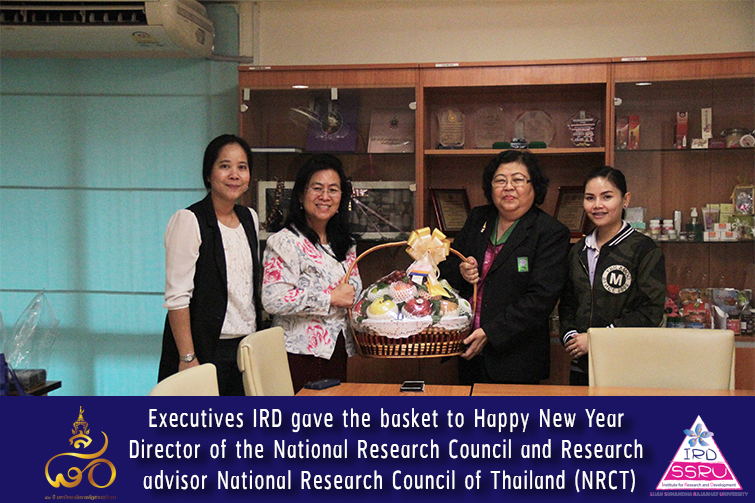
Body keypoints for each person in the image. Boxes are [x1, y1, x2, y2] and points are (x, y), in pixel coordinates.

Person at [439, 150, 571, 385]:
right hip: (467, 349)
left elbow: (540, 299)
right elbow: (446, 267)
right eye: (500, 180)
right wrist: (461, 269)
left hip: (516, 357)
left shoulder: (550, 232)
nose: (508, 187)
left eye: (518, 180)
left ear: (534, 186)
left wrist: (490, 333)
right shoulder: (478, 218)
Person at [158, 134, 262, 396]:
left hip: (245, 349)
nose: (234, 174)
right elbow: (177, 297)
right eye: (225, 166)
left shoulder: (249, 218)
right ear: (208, 174)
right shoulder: (189, 220)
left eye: (242, 167)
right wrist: (187, 357)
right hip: (204, 350)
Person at [262, 154, 361, 393]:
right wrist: (330, 298)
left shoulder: (344, 244)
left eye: (333, 190)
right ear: (300, 195)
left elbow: (353, 295)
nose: (325, 196)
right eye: (317, 188)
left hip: (337, 349)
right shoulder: (285, 241)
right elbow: (273, 299)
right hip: (299, 354)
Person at [559, 166, 666, 385]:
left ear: (625, 200)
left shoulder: (643, 249)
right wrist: (570, 336)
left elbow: (650, 311)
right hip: (582, 364)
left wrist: (598, 340)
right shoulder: (578, 250)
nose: (597, 205)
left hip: (627, 363)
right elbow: (568, 302)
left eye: (607, 197)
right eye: (590, 198)